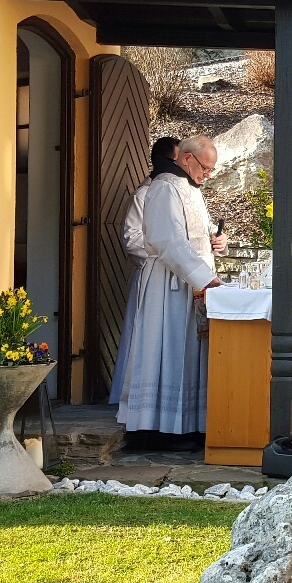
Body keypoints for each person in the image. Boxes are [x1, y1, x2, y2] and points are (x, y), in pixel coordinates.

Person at [117, 135, 226, 450]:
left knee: (188, 352)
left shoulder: (190, 189)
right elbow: (168, 240)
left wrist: (219, 243)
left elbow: (200, 235)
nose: (207, 174)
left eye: (211, 170)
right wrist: (203, 277)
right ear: (187, 158)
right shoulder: (164, 187)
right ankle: (156, 430)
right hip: (168, 284)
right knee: (167, 349)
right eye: (205, 168)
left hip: (191, 283)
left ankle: (187, 424)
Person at [111, 136, 181, 406]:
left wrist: (215, 241)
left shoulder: (183, 193)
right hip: (153, 277)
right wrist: (168, 251)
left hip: (179, 279)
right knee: (143, 339)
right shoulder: (144, 195)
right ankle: (134, 400)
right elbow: (132, 239)